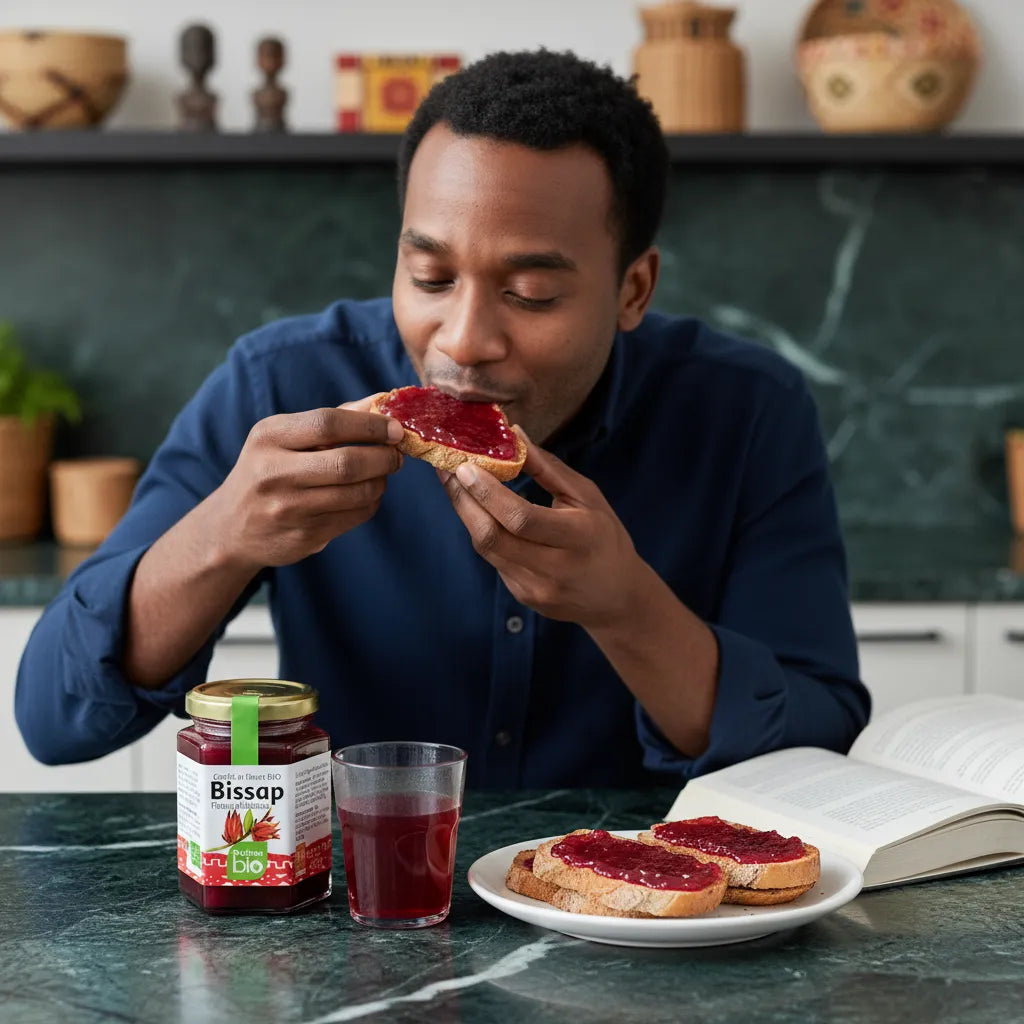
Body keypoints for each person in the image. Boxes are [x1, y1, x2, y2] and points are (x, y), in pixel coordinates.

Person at [15, 49, 869, 788]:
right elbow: (54, 722)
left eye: (530, 294)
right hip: (357, 899)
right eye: (429, 278)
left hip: (644, 916)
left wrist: (628, 610)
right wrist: (221, 538)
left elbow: (820, 741)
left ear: (633, 290)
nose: (463, 340)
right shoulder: (283, 383)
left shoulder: (749, 410)